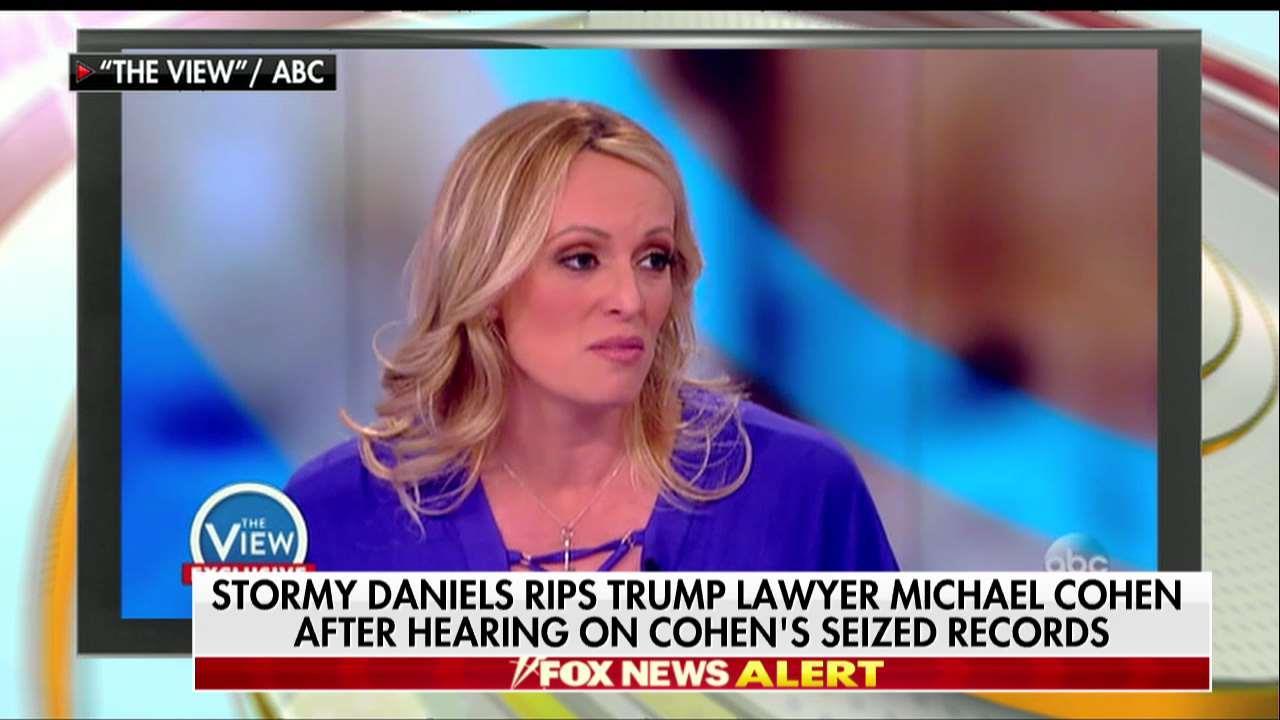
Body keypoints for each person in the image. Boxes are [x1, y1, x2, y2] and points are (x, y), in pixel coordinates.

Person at [285, 99, 898, 573]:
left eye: (654, 259)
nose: (630, 300)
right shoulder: (335, 517)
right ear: (487, 282)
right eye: (580, 259)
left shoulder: (802, 492)